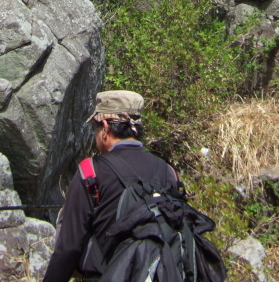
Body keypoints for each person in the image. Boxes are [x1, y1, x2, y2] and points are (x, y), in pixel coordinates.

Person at [42, 90, 179, 282]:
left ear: (105, 128)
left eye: (96, 128)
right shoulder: (168, 172)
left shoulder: (90, 171)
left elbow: (68, 248)